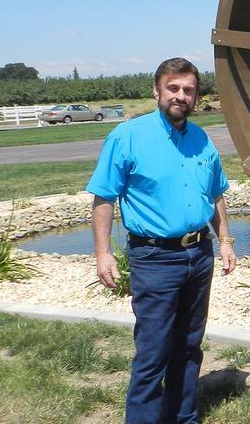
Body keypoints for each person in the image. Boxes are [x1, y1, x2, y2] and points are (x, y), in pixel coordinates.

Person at [87, 57, 237, 424]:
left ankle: (183, 417)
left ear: (196, 95)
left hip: (198, 255)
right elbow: (104, 197)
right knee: (153, 352)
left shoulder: (202, 139)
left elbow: (215, 194)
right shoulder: (128, 137)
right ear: (157, 90)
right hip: (154, 258)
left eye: (188, 89)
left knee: (189, 345)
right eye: (173, 88)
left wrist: (226, 241)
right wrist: (103, 253)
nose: (180, 96)